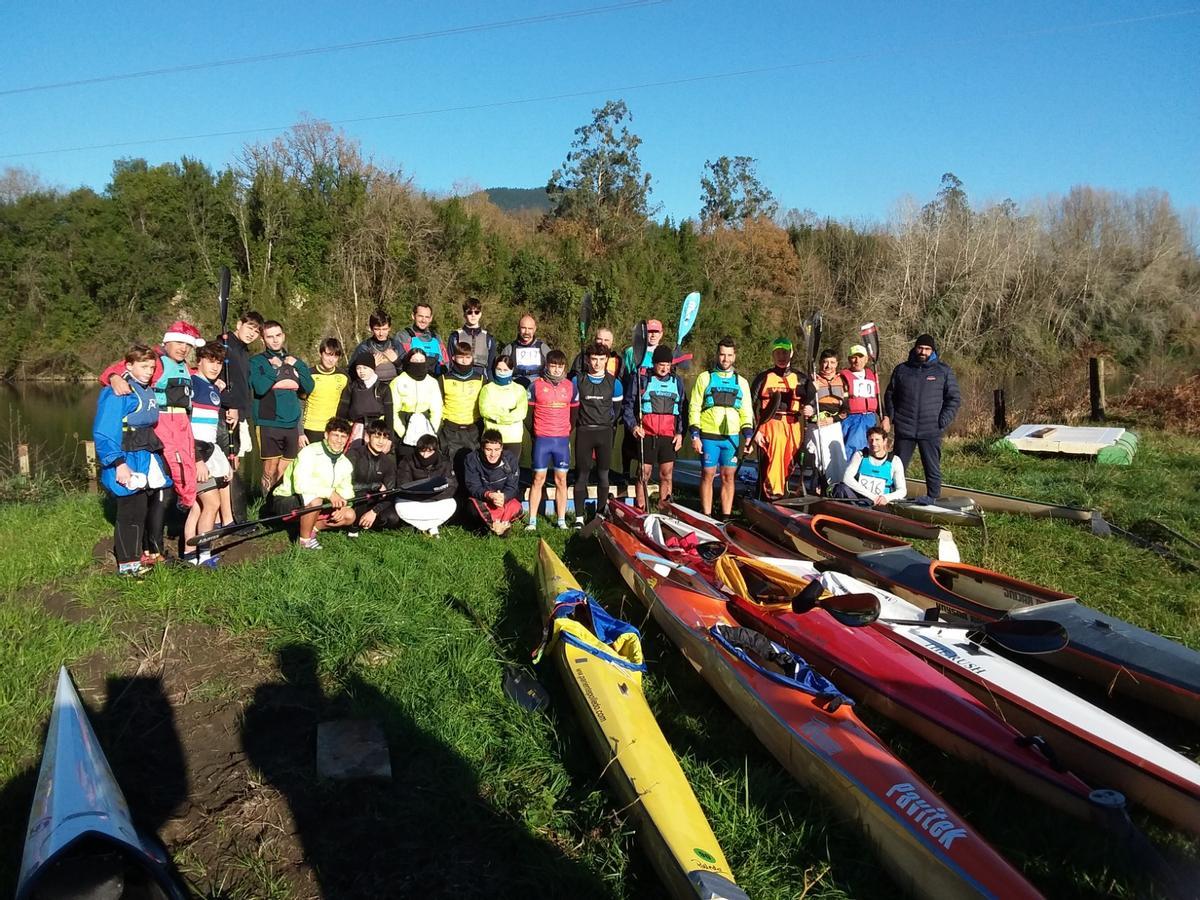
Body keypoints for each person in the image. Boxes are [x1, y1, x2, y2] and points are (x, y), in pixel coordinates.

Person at [99, 320, 207, 558]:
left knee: (182, 476)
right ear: (166, 341)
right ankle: (151, 545)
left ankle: (175, 524)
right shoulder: (155, 363)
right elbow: (114, 371)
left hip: (182, 426)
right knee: (163, 483)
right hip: (160, 426)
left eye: (187, 345)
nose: (182, 348)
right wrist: (115, 378)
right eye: (178, 343)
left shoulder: (186, 368)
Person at [93, 345, 172, 577]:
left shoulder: (147, 388)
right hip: (127, 459)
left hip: (146, 456)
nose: (149, 371)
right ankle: (128, 565)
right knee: (131, 512)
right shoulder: (119, 392)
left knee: (147, 508)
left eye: (151, 367)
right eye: (143, 366)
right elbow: (105, 431)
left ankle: (143, 555)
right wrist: (118, 464)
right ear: (128, 366)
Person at [882, 333, 961, 500]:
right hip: (905, 428)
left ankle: (933, 499)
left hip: (931, 429)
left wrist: (943, 420)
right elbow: (889, 395)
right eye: (920, 348)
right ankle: (892, 497)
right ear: (915, 348)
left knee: (932, 468)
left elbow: (953, 398)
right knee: (897, 467)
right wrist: (892, 416)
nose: (923, 352)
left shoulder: (943, 371)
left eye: (927, 349)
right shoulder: (902, 370)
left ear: (932, 351)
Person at [688, 337, 754, 517]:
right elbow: (694, 407)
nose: (725, 359)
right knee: (708, 474)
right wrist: (695, 435)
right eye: (722, 355)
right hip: (709, 435)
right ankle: (706, 515)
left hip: (731, 437)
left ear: (734, 356)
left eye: (729, 355)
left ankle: (725, 517)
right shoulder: (705, 377)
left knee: (728, 477)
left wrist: (748, 436)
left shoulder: (742, 382)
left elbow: (746, 412)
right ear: (718, 355)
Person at [271, 417, 356, 550]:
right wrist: (330, 493)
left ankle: (311, 529)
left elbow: (347, 491)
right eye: (335, 435)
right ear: (326, 435)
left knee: (349, 515)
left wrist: (344, 505)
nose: (339, 440)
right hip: (287, 499)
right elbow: (301, 485)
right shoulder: (309, 452)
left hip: (318, 502)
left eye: (343, 436)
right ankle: (304, 542)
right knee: (315, 500)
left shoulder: (345, 463)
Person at [250, 320, 315, 497]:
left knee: (285, 468)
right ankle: (262, 503)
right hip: (268, 421)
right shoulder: (257, 362)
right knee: (269, 469)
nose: (275, 340)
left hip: (292, 423)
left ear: (283, 336)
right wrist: (276, 369)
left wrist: (297, 365)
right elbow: (260, 387)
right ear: (263, 340)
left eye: (278, 335)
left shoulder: (294, 361)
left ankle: (274, 501)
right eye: (270, 337)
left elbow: (308, 387)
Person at [182, 342, 233, 564]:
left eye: (219, 362)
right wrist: (197, 459)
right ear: (199, 360)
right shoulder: (190, 383)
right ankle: (203, 554)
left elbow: (209, 429)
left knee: (197, 507)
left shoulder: (213, 388)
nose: (215, 366)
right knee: (211, 504)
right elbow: (184, 426)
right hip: (194, 451)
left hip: (210, 449)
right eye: (210, 361)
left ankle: (189, 554)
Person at [748, 338, 814, 501]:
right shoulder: (763, 377)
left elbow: (810, 402)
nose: (781, 356)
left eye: (785, 352)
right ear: (773, 355)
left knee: (788, 464)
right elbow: (749, 406)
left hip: (793, 427)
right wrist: (754, 431)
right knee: (768, 465)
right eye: (778, 353)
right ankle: (764, 498)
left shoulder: (802, 379)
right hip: (768, 426)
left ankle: (784, 498)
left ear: (791, 353)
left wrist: (810, 408)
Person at [626, 345, 685, 510]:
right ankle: (641, 508)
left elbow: (681, 410)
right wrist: (634, 427)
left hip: (668, 435)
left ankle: (664, 507)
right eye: (661, 364)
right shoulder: (642, 379)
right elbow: (628, 406)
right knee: (643, 474)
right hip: (647, 434)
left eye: (667, 364)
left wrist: (680, 433)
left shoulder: (677, 382)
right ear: (654, 363)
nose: (665, 368)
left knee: (666, 474)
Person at [572, 341, 624, 525]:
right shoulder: (578, 381)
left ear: (607, 360)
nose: (597, 363)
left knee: (603, 474)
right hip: (584, 432)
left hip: (604, 433)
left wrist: (606, 423)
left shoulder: (615, 383)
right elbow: (574, 409)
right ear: (587, 360)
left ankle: (600, 516)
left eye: (601, 359)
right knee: (582, 475)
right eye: (594, 359)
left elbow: (616, 411)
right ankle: (579, 518)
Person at [219, 310, 263, 519]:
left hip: (241, 414)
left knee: (236, 462)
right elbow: (217, 379)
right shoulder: (223, 344)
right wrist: (229, 404)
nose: (252, 333)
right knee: (227, 464)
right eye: (249, 328)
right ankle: (229, 517)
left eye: (256, 331)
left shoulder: (243, 351)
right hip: (225, 414)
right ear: (239, 324)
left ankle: (233, 516)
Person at [526, 349, 576, 530]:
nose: (556, 370)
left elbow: (574, 414)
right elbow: (528, 415)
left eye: (560, 366)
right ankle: (532, 521)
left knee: (561, 480)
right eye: (553, 366)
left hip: (561, 440)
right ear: (546, 366)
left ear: (564, 367)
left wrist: (567, 430)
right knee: (538, 478)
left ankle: (561, 520)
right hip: (542, 439)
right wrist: (536, 433)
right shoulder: (535, 386)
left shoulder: (570, 386)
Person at [620, 318, 666, 479]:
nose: (652, 335)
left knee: (647, 442)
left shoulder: (665, 353)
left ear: (661, 334)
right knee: (629, 439)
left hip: (654, 406)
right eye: (650, 332)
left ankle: (644, 476)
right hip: (634, 401)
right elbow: (624, 377)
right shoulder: (631, 352)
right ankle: (625, 473)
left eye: (656, 332)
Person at [394, 434, 458, 536]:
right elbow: (403, 486)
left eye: (429, 451)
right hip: (414, 501)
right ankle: (422, 526)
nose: (425, 455)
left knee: (451, 503)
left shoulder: (444, 462)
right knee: (400, 504)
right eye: (422, 451)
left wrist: (432, 495)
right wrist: (422, 495)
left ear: (436, 450)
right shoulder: (407, 461)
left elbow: (452, 486)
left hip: (436, 500)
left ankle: (432, 525)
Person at [344, 419, 400, 534]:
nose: (381, 441)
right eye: (377, 437)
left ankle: (366, 522)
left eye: (384, 438)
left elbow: (389, 493)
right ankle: (353, 527)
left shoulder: (388, 462)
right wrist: (375, 485)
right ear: (368, 437)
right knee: (361, 498)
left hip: (372, 503)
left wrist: (374, 511)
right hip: (354, 500)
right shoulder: (354, 455)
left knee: (392, 517)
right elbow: (347, 485)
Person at [465, 429, 523, 535]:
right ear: (482, 448)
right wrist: (489, 495)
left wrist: (503, 497)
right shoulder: (472, 459)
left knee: (517, 506)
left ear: (501, 448)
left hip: (503, 500)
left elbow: (513, 487)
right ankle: (497, 525)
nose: (493, 454)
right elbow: (473, 487)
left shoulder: (510, 459)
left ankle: (495, 525)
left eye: (497, 449)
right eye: (489, 449)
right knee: (471, 507)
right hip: (484, 500)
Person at [439, 341, 485, 472]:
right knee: (452, 468)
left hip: (473, 430)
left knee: (474, 467)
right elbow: (438, 404)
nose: (464, 361)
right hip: (451, 430)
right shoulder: (443, 379)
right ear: (453, 358)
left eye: (468, 357)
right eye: (461, 357)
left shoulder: (481, 378)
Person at [807, 348, 849, 490]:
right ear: (820, 363)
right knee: (817, 460)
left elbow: (846, 410)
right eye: (825, 362)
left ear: (837, 364)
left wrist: (833, 419)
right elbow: (804, 402)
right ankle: (815, 487)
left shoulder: (842, 381)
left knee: (836, 461)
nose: (828, 366)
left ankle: (833, 489)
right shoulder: (812, 379)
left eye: (832, 362)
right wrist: (811, 393)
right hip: (816, 426)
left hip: (833, 426)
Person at [390, 348, 443, 456]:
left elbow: (437, 408)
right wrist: (403, 433)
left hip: (426, 425)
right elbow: (392, 410)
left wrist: (432, 431)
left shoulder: (432, 382)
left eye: (421, 361)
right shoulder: (398, 381)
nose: (418, 364)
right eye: (415, 361)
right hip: (405, 423)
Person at [836, 426, 907, 506]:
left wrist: (886, 498)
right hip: (858, 499)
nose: (873, 443)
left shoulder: (895, 461)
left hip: (881, 504)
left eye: (877, 440)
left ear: (884, 441)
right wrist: (872, 497)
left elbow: (902, 490)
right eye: (871, 440)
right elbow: (846, 478)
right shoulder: (860, 455)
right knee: (841, 488)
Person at [478, 354, 527, 463]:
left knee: (511, 472)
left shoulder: (519, 389)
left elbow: (521, 412)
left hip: (513, 438)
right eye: (499, 369)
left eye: (505, 369)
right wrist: (507, 412)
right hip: (492, 438)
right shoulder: (487, 388)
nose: (502, 372)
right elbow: (484, 410)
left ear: (512, 370)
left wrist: (499, 416)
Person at [301, 338, 349, 447]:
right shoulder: (309, 375)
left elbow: (345, 405)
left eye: (335, 356)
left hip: (333, 430)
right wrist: (299, 432)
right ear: (320, 353)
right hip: (310, 428)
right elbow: (299, 403)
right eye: (328, 355)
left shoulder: (343, 376)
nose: (331, 359)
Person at [840, 344, 881, 458]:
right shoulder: (843, 377)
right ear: (849, 359)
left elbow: (877, 399)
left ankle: (866, 473)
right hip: (853, 418)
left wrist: (885, 417)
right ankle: (849, 474)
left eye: (860, 356)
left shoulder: (872, 376)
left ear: (866, 359)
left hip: (870, 418)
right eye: (854, 357)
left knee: (871, 449)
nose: (857, 360)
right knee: (853, 451)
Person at [341, 352, 389, 443]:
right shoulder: (351, 387)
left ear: (372, 368)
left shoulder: (383, 388)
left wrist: (389, 439)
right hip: (356, 431)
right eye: (358, 368)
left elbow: (389, 416)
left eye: (365, 368)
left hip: (378, 431)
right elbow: (342, 412)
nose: (361, 371)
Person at [352, 309, 405, 385]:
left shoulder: (396, 345)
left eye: (384, 329)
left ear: (389, 328)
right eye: (377, 329)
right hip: (373, 389)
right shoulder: (364, 347)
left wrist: (397, 362)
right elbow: (352, 373)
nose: (381, 333)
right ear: (371, 328)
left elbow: (408, 372)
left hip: (395, 387)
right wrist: (371, 366)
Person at [500, 314, 551, 386]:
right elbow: (500, 371)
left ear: (535, 329)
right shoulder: (509, 349)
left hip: (538, 387)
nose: (526, 332)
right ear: (518, 328)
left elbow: (553, 369)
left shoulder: (543, 348)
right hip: (515, 387)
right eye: (523, 328)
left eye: (530, 328)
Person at [398, 302, 448, 373]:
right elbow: (400, 364)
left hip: (434, 380)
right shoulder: (403, 336)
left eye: (427, 317)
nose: (423, 320)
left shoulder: (436, 337)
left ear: (431, 318)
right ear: (413, 316)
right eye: (420, 316)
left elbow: (446, 362)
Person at [449, 297, 496, 372]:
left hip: (482, 377)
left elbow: (491, 366)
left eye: (476, 312)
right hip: (460, 375)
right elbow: (450, 363)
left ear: (480, 314)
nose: (473, 315)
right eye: (469, 312)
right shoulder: (455, 336)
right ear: (464, 315)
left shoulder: (489, 338)